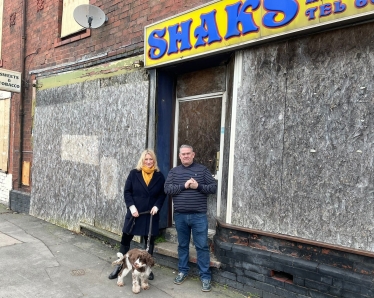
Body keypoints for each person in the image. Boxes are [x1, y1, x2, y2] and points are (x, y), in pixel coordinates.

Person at [164, 144, 217, 292]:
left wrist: (198, 187)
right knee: (182, 245)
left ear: (193, 155)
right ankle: (182, 271)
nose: (186, 156)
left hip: (198, 216)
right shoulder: (174, 172)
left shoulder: (202, 170)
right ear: (179, 156)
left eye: (188, 153)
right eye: (183, 154)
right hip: (180, 216)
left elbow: (213, 188)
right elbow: (167, 189)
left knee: (202, 246)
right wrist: (184, 185)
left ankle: (205, 277)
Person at [108, 149, 166, 281]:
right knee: (125, 240)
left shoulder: (159, 176)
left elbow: (162, 194)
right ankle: (120, 266)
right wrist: (132, 207)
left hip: (150, 215)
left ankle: (147, 268)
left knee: (149, 242)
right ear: (142, 160)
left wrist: (157, 206)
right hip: (135, 214)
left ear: (154, 161)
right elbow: (127, 192)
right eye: (146, 159)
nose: (149, 162)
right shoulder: (134, 174)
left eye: (151, 159)